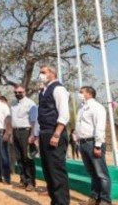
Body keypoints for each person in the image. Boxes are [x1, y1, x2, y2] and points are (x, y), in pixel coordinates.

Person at [30, 65, 70, 205]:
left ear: (52, 73)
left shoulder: (59, 89)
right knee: (48, 170)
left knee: (56, 170)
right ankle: (55, 201)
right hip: (44, 133)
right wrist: (37, 136)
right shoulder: (43, 91)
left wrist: (57, 133)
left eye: (43, 72)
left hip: (54, 132)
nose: (40, 75)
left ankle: (62, 202)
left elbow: (64, 114)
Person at [75, 86, 112, 205]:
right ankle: (94, 198)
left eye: (81, 92)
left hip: (93, 143)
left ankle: (105, 200)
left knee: (101, 174)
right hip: (83, 143)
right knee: (92, 173)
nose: (79, 94)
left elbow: (100, 127)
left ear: (89, 94)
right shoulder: (81, 108)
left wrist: (97, 146)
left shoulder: (97, 107)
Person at [10, 85, 38, 192]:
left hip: (26, 132)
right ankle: (23, 180)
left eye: (20, 92)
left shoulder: (30, 104)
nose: (17, 94)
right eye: (16, 92)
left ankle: (31, 182)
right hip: (16, 131)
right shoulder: (13, 104)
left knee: (27, 158)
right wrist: (12, 134)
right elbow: (12, 120)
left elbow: (33, 121)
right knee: (19, 157)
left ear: (25, 92)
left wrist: (32, 135)